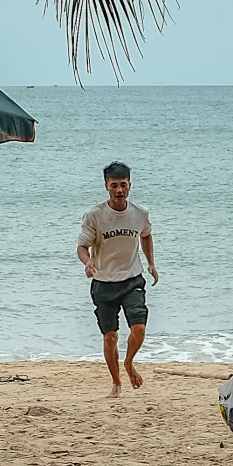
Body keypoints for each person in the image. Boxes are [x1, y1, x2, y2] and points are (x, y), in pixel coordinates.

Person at [79, 161, 158, 397]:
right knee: (110, 336)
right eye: (114, 185)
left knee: (139, 328)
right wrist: (88, 262)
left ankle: (129, 362)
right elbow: (82, 246)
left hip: (132, 279)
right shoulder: (95, 215)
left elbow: (146, 235)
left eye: (123, 185)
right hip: (103, 282)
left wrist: (151, 263)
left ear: (130, 185)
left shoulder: (140, 214)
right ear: (106, 186)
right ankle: (116, 382)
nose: (119, 190)